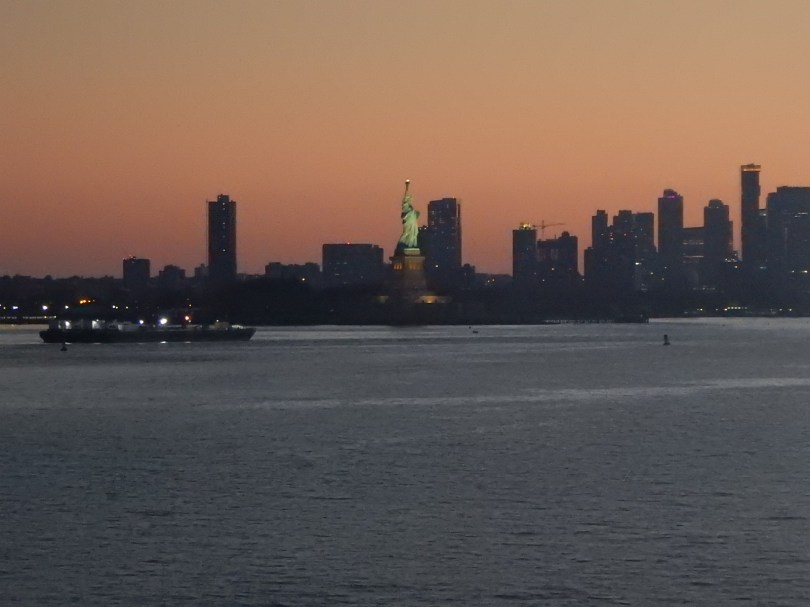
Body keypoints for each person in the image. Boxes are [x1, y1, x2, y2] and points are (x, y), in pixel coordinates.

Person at [398, 180, 420, 251]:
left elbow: (416, 215)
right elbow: (406, 195)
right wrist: (407, 186)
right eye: (409, 199)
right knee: (406, 233)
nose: (410, 199)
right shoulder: (406, 206)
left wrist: (416, 213)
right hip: (408, 221)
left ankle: (411, 244)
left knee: (413, 233)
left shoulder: (411, 207)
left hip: (413, 222)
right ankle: (403, 243)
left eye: (410, 198)